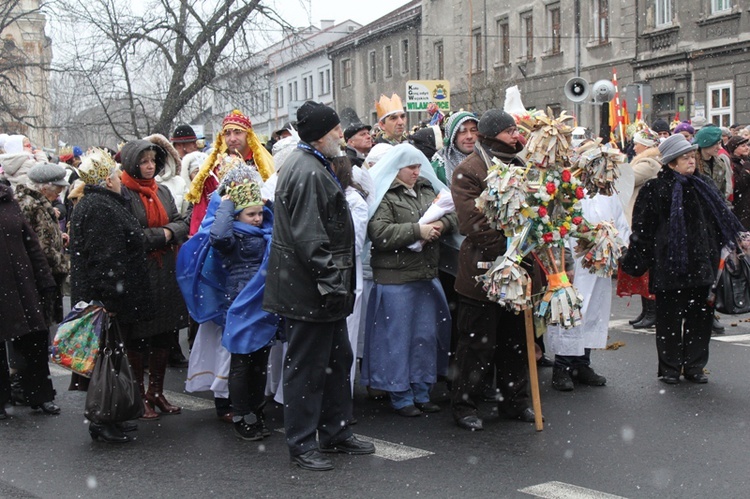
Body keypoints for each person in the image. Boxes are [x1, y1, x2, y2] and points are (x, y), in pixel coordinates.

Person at [263, 101, 375, 471]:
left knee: (336, 360)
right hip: (309, 290)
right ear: (318, 135)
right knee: (308, 369)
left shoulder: (313, 163)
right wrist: (332, 285)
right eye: (336, 131)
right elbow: (310, 239)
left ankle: (335, 432)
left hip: (318, 289)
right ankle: (302, 444)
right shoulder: (308, 170)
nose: (341, 136)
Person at [621, 134, 746, 384]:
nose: (691, 161)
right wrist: (636, 260)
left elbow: (721, 220)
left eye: (692, 156)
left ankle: (695, 367)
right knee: (669, 320)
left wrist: (733, 245)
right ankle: (669, 369)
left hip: (703, 265)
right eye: (685, 157)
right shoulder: (654, 189)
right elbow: (643, 229)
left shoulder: (705, 185)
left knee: (700, 319)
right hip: (670, 266)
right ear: (670, 163)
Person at [450, 109, 537, 431]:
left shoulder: (521, 165)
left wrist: (533, 235)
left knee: (516, 340)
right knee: (476, 343)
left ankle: (514, 401)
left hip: (519, 268)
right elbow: (472, 222)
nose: (517, 136)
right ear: (493, 135)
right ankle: (464, 404)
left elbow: (535, 211)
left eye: (517, 131)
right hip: (484, 269)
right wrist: (508, 251)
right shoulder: (469, 170)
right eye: (510, 131)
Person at [361, 143, 456, 416]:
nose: (417, 171)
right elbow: (379, 232)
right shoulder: (385, 195)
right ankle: (399, 393)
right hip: (396, 279)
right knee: (397, 339)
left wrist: (441, 225)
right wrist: (418, 230)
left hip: (425, 274)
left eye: (418, 166)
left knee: (424, 336)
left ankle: (421, 389)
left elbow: (452, 214)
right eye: (410, 167)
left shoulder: (428, 188)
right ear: (396, 168)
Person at [69, 148, 153, 442]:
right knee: (107, 362)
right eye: (116, 174)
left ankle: (111, 415)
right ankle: (102, 419)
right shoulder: (100, 208)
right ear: (106, 180)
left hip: (108, 300)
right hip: (108, 303)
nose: (120, 177)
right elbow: (107, 260)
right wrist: (111, 302)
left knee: (112, 360)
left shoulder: (99, 204)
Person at [119, 139, 189, 420]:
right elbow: (131, 235)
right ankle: (138, 394)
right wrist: (164, 235)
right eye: (144, 161)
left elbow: (181, 221)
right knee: (139, 336)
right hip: (140, 273)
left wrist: (168, 232)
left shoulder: (162, 190)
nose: (149, 167)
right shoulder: (124, 192)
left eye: (152, 161)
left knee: (166, 332)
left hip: (166, 270)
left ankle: (155, 391)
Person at [208, 169, 276, 441]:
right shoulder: (232, 236)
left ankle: (256, 411)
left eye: (259, 213)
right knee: (241, 361)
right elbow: (219, 237)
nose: (258, 218)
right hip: (240, 302)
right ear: (237, 216)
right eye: (251, 214)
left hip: (264, 302)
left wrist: (269, 206)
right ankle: (241, 414)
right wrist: (226, 204)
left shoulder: (266, 232)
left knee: (261, 360)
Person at [549, 191, 631, 391]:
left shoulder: (608, 193)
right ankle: (562, 366)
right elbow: (556, 227)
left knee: (594, 310)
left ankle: (581, 363)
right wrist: (564, 261)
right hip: (575, 265)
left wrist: (620, 247)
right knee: (571, 311)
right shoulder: (568, 188)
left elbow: (620, 222)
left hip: (599, 264)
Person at [0, 182, 59, 421]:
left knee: (34, 340)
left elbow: (31, 243)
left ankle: (40, 396)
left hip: (22, 285)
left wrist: (45, 279)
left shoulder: (8, 201)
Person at [185, 109, 274, 235]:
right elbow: (202, 208)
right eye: (227, 133)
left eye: (238, 132)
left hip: (259, 235)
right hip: (222, 237)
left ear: (248, 135)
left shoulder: (262, 166)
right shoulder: (213, 170)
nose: (232, 138)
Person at [621, 128, 661, 329]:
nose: (634, 147)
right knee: (643, 268)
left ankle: (652, 311)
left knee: (646, 269)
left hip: (643, 220)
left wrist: (616, 163)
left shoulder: (649, 163)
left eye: (637, 143)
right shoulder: (643, 162)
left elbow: (626, 178)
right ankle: (647, 310)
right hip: (638, 219)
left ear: (646, 145)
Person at [431, 111, 479, 186]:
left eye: (473, 130)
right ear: (453, 136)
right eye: (463, 131)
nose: (469, 136)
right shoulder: (439, 166)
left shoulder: (487, 160)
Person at [694, 125, 733, 201]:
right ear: (705, 144)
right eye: (715, 144)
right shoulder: (692, 164)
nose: (719, 147)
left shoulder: (720, 164)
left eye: (719, 143)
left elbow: (722, 192)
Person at [728, 136, 750, 229]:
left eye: (747, 145)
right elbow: (737, 185)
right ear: (734, 149)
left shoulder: (745, 161)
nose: (747, 148)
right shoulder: (733, 163)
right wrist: (746, 170)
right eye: (742, 146)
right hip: (741, 206)